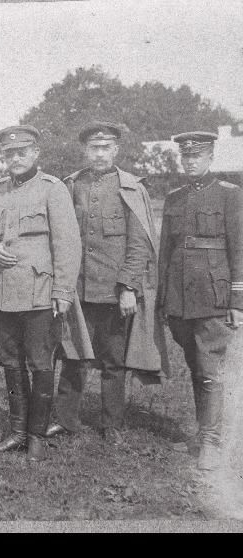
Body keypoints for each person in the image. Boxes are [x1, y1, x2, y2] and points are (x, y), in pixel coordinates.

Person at [47, 121, 166, 446]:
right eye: (93, 148)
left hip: (115, 293)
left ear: (115, 150)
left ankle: (111, 423)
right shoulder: (71, 186)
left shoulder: (130, 187)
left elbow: (139, 242)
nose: (99, 154)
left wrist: (128, 286)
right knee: (73, 356)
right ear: (85, 150)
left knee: (114, 362)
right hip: (78, 289)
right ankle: (65, 421)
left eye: (105, 148)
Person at [0, 124, 81, 461]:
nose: (16, 158)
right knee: (10, 361)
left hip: (40, 293)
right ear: (3, 157)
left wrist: (63, 291)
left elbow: (68, 245)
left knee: (40, 363)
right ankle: (17, 431)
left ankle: (37, 436)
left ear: (35, 153)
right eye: (10, 153)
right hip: (4, 293)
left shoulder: (53, 189)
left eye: (22, 151)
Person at [156, 131, 243, 471]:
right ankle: (201, 433)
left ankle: (211, 440)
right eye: (186, 156)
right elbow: (166, 252)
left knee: (210, 366)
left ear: (210, 157)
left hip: (212, 293)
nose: (190, 160)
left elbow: (239, 248)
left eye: (197, 155)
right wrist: (163, 298)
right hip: (179, 296)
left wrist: (237, 299)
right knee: (195, 364)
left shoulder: (229, 195)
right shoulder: (175, 197)